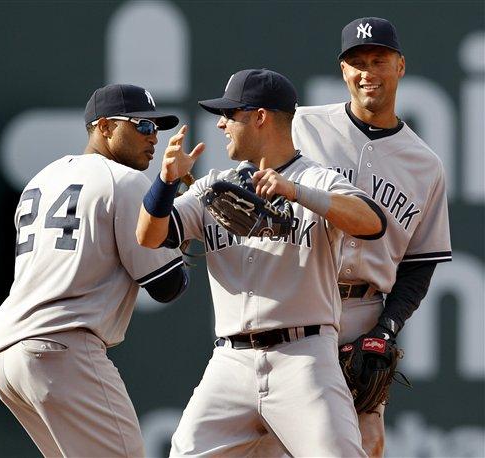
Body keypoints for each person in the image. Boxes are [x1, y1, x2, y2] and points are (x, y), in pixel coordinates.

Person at [136, 68, 387, 457]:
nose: (220, 124)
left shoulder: (316, 180)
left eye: (230, 115)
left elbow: (373, 222)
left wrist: (296, 192)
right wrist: (166, 183)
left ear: (260, 117)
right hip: (230, 362)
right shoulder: (213, 187)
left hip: (303, 358)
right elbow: (150, 236)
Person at [0, 84, 188, 457]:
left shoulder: (42, 179)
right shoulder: (124, 181)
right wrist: (184, 226)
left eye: (158, 127)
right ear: (105, 127)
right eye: (142, 125)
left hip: (7, 357)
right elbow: (167, 285)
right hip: (61, 348)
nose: (154, 137)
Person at [292, 17, 452, 457]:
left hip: (363, 309)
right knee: (279, 437)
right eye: (356, 62)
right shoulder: (301, 127)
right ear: (343, 71)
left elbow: (420, 266)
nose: (367, 72)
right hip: (298, 296)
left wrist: (387, 327)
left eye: (378, 60)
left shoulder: (426, 164)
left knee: (366, 442)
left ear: (400, 66)